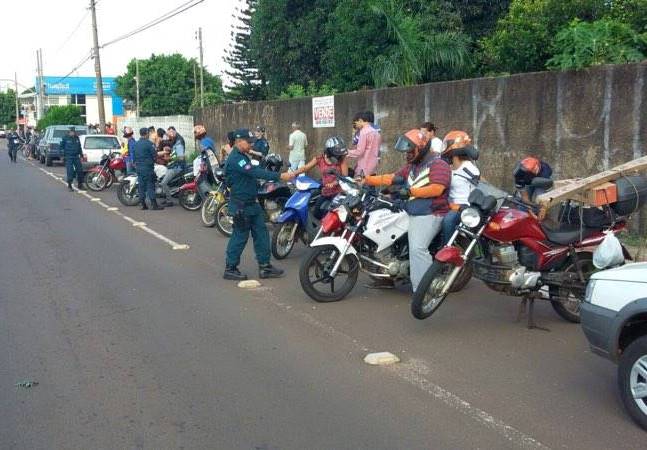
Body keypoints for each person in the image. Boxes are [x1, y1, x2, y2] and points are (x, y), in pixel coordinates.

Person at [361, 129, 451, 291]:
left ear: (421, 148)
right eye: (407, 152)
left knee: (418, 249)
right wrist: (366, 180)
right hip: (410, 209)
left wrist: (410, 192)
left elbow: (437, 189)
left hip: (429, 213)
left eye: (410, 151)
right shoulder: (412, 166)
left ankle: (422, 289)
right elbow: (391, 178)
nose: (407, 155)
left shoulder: (439, 164)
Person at [224, 128, 292, 281]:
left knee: (262, 234)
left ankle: (265, 266)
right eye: (248, 143)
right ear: (239, 141)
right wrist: (279, 175)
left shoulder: (243, 156)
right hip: (241, 206)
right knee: (239, 237)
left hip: (252, 204)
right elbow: (254, 172)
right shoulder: (236, 159)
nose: (250, 145)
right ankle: (230, 267)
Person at [286, 136, 349, 219]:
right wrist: (293, 173)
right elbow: (305, 168)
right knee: (317, 214)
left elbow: (344, 177)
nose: (338, 157)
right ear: (329, 152)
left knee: (334, 218)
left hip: (338, 193)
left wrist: (334, 183)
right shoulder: (320, 159)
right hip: (325, 191)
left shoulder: (341, 159)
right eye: (336, 154)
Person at [439, 131, 481, 244]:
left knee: (449, 220)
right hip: (449, 205)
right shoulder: (449, 168)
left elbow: (481, 183)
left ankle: (447, 249)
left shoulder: (467, 167)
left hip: (464, 207)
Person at [133, 127, 163, 210]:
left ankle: (143, 205)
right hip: (148, 168)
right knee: (150, 185)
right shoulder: (149, 144)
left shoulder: (136, 144)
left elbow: (134, 157)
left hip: (139, 168)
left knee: (141, 186)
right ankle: (154, 205)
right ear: (146, 134)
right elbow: (155, 155)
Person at [159, 126, 186, 206]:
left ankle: (169, 201)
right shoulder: (176, 140)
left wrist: (169, 158)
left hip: (176, 167)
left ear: (173, 132)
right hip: (175, 165)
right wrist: (170, 150)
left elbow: (181, 157)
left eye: (169, 135)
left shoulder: (179, 142)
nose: (168, 137)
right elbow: (176, 152)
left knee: (163, 183)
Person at [348, 110, 381, 176]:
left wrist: (347, 152)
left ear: (360, 120)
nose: (356, 126)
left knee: (362, 185)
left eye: (356, 123)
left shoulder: (363, 132)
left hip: (364, 167)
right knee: (372, 184)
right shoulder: (376, 132)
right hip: (373, 166)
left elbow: (360, 151)